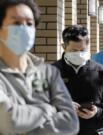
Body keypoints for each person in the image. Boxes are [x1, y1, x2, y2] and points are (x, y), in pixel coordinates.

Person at [0, 0, 79, 134]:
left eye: (29, 24)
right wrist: (48, 109)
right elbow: (8, 122)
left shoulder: (49, 72)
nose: (24, 28)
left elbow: (70, 122)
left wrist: (24, 126)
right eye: (17, 23)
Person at [53, 25, 103, 135]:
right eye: (74, 50)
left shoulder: (102, 72)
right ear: (63, 46)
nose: (79, 54)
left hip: (94, 131)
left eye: (82, 50)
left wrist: (98, 111)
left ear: (88, 46)